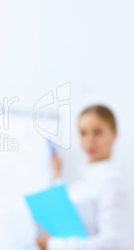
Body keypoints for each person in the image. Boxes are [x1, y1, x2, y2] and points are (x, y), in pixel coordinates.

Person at [36, 105, 126, 250]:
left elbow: (111, 244)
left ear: (114, 134)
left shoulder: (110, 181)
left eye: (97, 132)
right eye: (83, 133)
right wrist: (57, 174)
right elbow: (73, 216)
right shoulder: (85, 175)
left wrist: (52, 244)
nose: (90, 140)